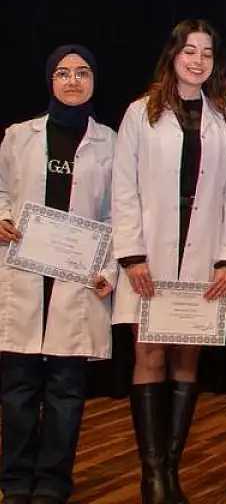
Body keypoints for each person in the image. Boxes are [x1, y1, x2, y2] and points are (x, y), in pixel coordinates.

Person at [112, 20, 226, 504]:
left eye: (207, 53)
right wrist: (132, 255)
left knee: (187, 360)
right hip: (147, 260)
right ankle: (152, 477)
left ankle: (172, 471)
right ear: (173, 55)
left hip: (204, 262)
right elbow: (123, 188)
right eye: (189, 51)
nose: (197, 60)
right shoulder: (140, 114)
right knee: (149, 355)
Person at [0, 45, 116, 504]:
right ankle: (14, 479)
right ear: (50, 80)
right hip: (24, 275)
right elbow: (2, 190)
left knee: (67, 391)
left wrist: (108, 270)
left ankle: (52, 480)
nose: (73, 81)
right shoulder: (18, 136)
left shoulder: (111, 143)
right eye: (63, 73)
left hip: (78, 280)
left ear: (93, 81)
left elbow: (117, 214)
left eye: (82, 73)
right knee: (18, 389)